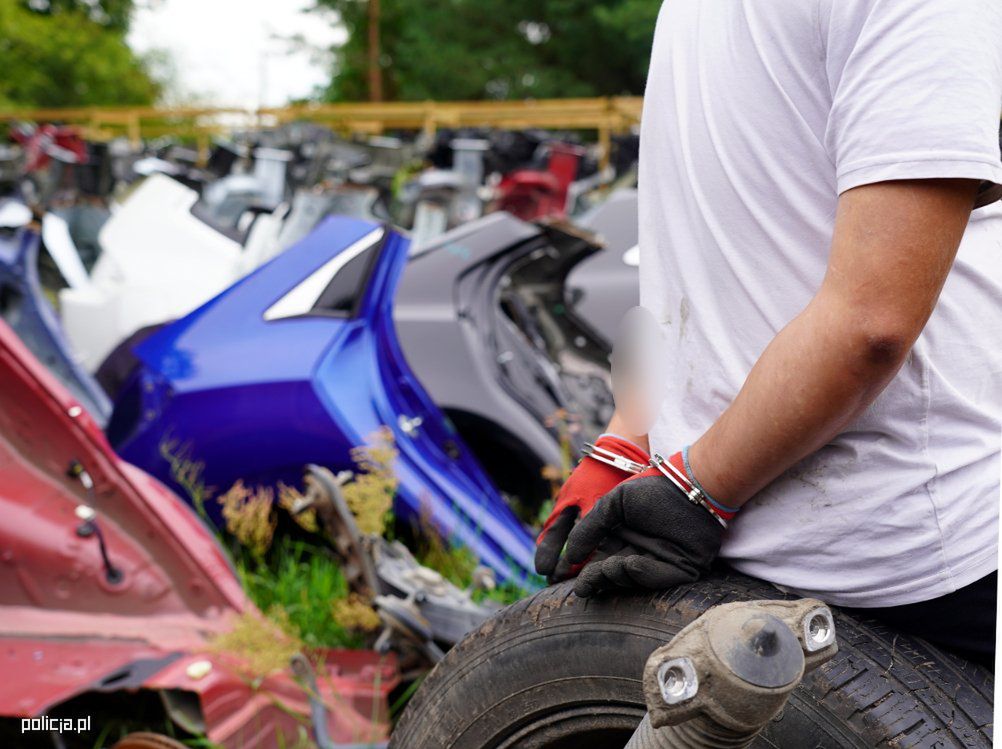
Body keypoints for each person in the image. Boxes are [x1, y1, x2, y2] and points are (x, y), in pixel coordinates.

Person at [535, 0, 1002, 669]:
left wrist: (643, 447)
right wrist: (676, 476)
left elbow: (726, 256)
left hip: (736, 522)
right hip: (909, 542)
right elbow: (870, 319)